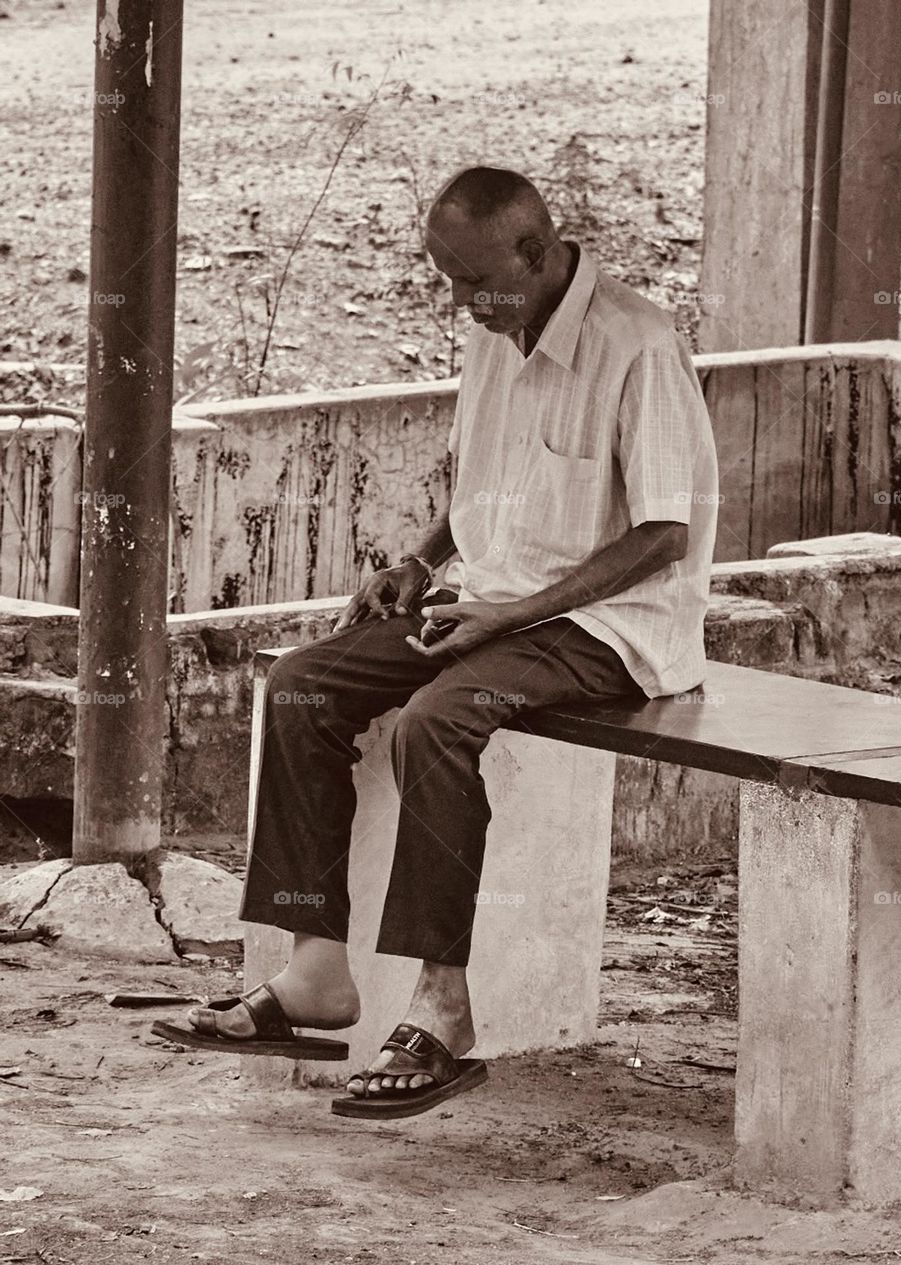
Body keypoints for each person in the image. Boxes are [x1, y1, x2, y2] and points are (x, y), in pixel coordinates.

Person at [152, 165, 720, 1119]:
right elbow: (484, 490)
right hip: (492, 603)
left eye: (471, 280)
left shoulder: (639, 342)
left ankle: (442, 1006)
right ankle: (316, 973)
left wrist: (510, 613)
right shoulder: (498, 330)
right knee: (300, 683)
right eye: (444, 278)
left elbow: (666, 531)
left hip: (613, 628)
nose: (458, 302)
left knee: (435, 721)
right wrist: (419, 561)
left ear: (535, 254)